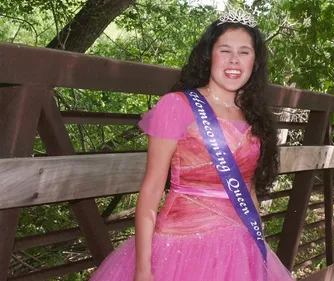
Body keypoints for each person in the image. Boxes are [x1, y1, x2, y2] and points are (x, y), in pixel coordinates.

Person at [89, 7, 295, 281]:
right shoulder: (176, 106)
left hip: (241, 252)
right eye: (225, 50)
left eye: (244, 52)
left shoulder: (254, 115)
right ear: (209, 55)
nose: (234, 60)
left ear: (254, 62)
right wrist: (143, 269)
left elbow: (248, 187)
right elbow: (151, 191)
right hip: (180, 249)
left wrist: (259, 250)